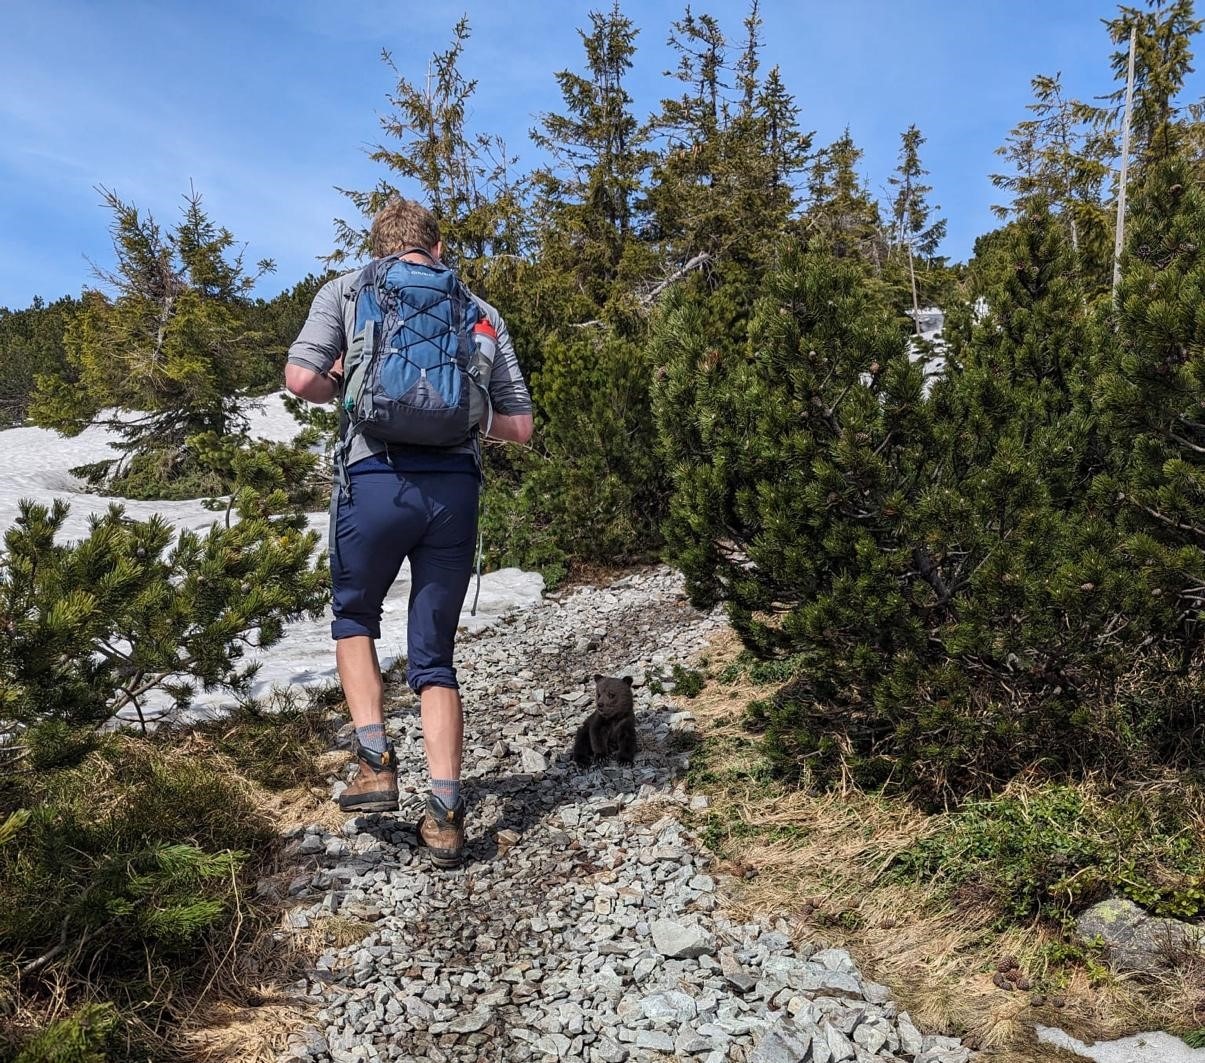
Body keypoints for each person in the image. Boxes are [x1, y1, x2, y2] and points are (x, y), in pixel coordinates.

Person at [284, 198, 533, 869]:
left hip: (374, 480)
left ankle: (375, 763)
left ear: (380, 245)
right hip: (451, 493)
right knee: (434, 657)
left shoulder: (347, 290)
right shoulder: (481, 311)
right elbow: (519, 427)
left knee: (353, 615)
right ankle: (447, 815)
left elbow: (301, 376)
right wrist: (458, 412)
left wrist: (347, 384)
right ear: (439, 245)